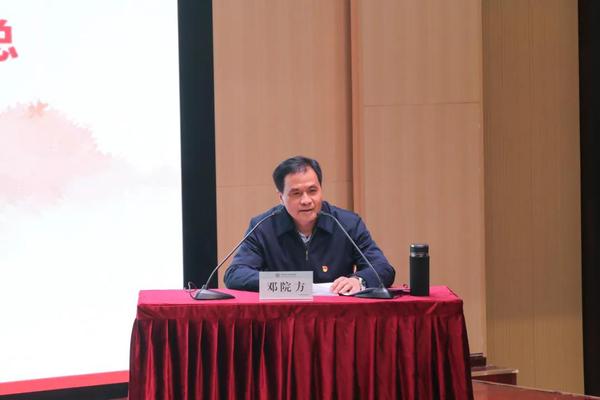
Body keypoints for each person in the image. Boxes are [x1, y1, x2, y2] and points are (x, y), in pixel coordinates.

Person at [223, 156, 395, 294]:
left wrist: (358, 281)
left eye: (312, 191)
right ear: (281, 197)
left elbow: (383, 268)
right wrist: (290, 284)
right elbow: (235, 274)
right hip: (283, 317)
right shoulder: (263, 227)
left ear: (321, 189)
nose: (306, 200)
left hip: (337, 317)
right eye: (296, 193)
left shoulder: (347, 223)